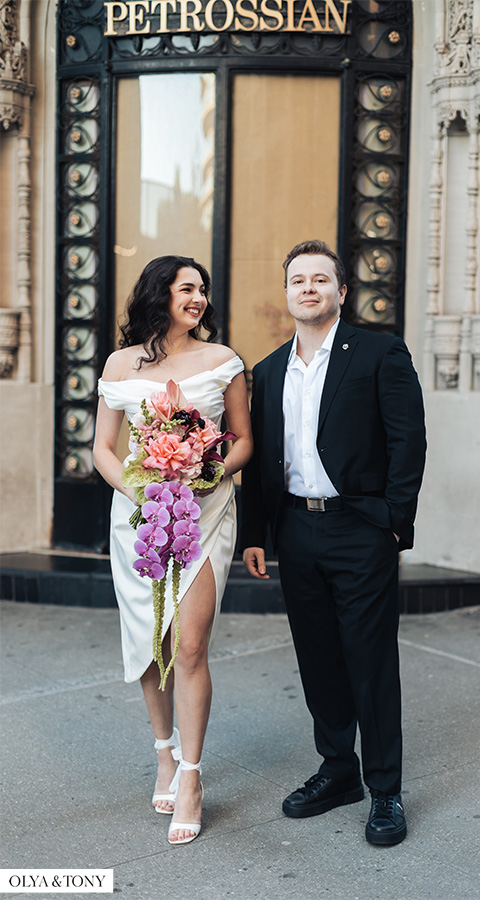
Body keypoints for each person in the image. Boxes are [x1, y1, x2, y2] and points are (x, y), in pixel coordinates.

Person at [240, 239, 426, 846]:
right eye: (298, 280)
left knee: (370, 661)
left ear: (341, 292)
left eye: (320, 279)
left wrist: (394, 521)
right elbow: (261, 460)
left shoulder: (379, 353)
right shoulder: (269, 370)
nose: (309, 288)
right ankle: (338, 770)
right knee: (318, 657)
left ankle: (386, 790)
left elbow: (408, 441)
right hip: (296, 529)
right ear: (287, 293)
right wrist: (256, 533)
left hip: (359, 528)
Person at [93, 255, 252, 846]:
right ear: (159, 293)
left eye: (203, 290)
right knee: (150, 644)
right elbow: (103, 448)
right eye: (188, 288)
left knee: (188, 646)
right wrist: (139, 488)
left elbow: (243, 441)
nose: (199, 298)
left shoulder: (222, 360)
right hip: (139, 517)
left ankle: (191, 775)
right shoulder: (120, 364)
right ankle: (164, 752)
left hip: (203, 514)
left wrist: (206, 472)